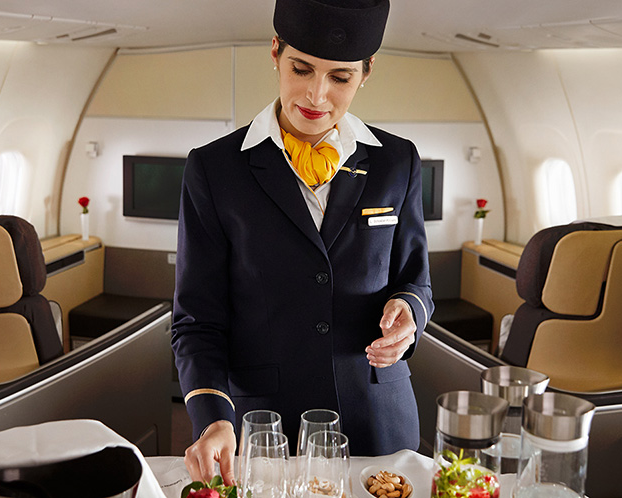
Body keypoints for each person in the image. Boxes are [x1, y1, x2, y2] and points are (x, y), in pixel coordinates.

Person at [172, 0, 431, 484]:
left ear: (366, 73)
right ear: (275, 52)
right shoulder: (214, 170)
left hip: (378, 420)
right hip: (268, 428)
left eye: (340, 77)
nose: (317, 94)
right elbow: (197, 319)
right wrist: (212, 417)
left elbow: (416, 279)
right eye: (301, 68)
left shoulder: (398, 161)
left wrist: (409, 313)